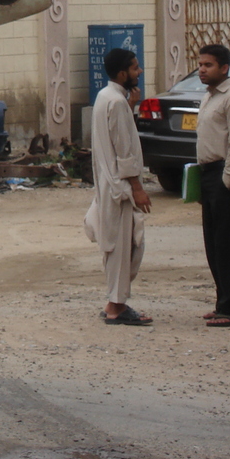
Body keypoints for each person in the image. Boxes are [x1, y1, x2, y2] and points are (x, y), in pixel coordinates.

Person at [84, 47, 153, 326]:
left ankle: (114, 302)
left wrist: (131, 108)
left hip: (109, 183)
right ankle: (116, 307)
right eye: (135, 68)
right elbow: (124, 151)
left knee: (118, 245)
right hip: (120, 187)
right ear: (123, 73)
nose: (140, 72)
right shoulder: (115, 102)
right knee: (125, 247)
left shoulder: (106, 97)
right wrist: (137, 187)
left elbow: (118, 137)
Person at [195, 43, 230, 327]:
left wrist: (227, 181)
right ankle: (222, 303)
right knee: (213, 243)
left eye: (208, 65)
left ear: (224, 68)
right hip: (207, 173)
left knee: (228, 243)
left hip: (224, 175)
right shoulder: (209, 97)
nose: (202, 70)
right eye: (200, 64)